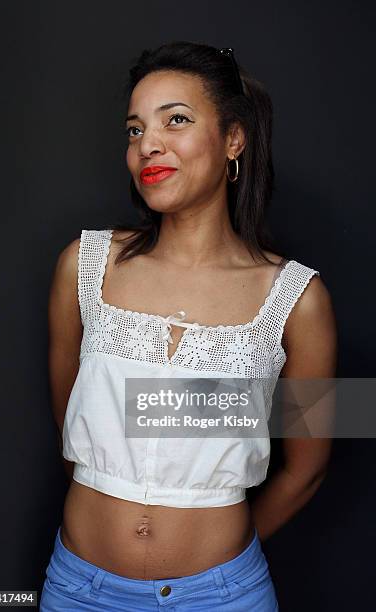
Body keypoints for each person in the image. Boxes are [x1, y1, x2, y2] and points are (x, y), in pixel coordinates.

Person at [40, 41, 337, 611]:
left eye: (175, 119)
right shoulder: (81, 264)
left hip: (224, 596)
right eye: (134, 129)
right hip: (79, 589)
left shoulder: (303, 299)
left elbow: (311, 467)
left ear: (234, 139)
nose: (148, 144)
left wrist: (218, 565)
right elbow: (66, 422)